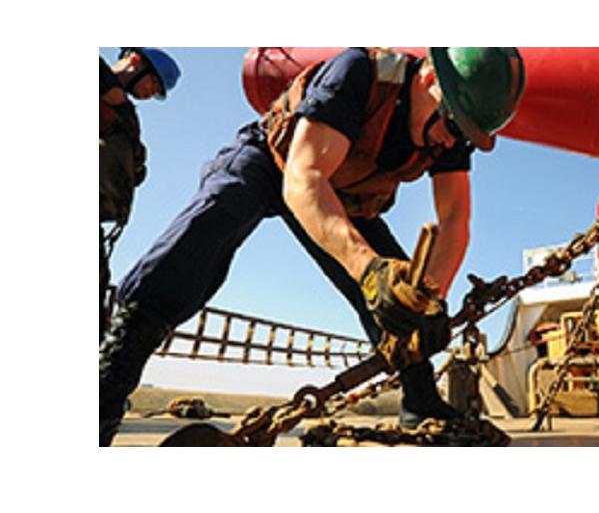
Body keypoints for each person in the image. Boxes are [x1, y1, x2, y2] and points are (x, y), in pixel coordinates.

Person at [99, 47, 525, 446]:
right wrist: (368, 270)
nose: (452, 141)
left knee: (402, 290)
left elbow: (454, 221)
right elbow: (305, 180)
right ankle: (109, 380)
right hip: (274, 160)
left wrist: (429, 301)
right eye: (453, 125)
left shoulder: (450, 131)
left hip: (345, 193)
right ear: (429, 78)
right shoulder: (359, 73)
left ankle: (420, 398)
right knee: (211, 224)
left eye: (465, 134)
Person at [99, 48, 181, 343]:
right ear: (135, 60)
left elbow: (136, 168)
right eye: (154, 83)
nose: (152, 93)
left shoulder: (127, 118)